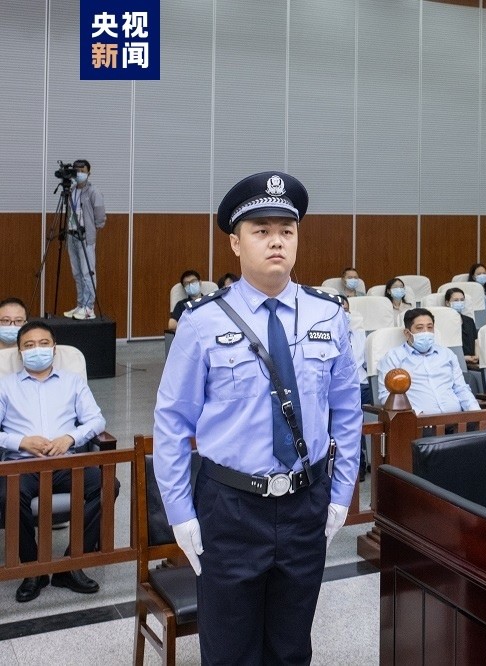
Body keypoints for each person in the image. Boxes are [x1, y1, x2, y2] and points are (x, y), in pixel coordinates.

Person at [153, 171, 361, 664]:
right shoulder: (202, 320)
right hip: (231, 506)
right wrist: (180, 512)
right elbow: (172, 422)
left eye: (286, 230)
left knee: (291, 647)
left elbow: (348, 412)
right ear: (235, 242)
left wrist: (341, 493)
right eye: (261, 230)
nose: (276, 241)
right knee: (230, 650)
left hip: (305, 502)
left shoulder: (328, 315)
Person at [0, 321, 109, 602]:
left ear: (54, 348)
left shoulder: (73, 382)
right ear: (20, 352)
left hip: (65, 462)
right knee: (8, 495)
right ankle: (32, 569)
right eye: (29, 345)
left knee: (107, 485)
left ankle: (70, 566)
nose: (37, 349)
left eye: (43, 343)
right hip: (22, 464)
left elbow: (97, 420)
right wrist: (20, 441)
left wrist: (70, 438)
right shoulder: (5, 385)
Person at [376, 308, 480, 414]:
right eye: (419, 328)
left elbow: (461, 389)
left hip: (457, 419)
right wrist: (416, 415)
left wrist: (477, 413)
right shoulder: (393, 357)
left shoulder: (447, 354)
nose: (426, 332)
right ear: (407, 333)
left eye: (430, 327)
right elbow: (387, 396)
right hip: (418, 421)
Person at [63, 159, 105, 320]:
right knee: (77, 273)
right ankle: (80, 304)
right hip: (72, 235)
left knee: (88, 272)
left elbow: (100, 215)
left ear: (88, 173)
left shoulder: (93, 191)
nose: (79, 173)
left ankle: (89, 308)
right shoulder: (72, 190)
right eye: (77, 171)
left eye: (83, 171)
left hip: (85, 236)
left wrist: (92, 229)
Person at [333, 294, 370, 481]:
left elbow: (368, 364)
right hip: (334, 388)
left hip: (361, 384)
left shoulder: (361, 335)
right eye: (339, 310)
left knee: (357, 419)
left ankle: (360, 465)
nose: (344, 314)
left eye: (346, 310)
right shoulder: (324, 336)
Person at [444, 287, 478, 365]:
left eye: (462, 300)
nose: (459, 302)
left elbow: (476, 341)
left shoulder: (469, 320)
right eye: (456, 300)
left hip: (473, 362)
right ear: (447, 303)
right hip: (453, 362)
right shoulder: (444, 322)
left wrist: (477, 356)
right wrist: (463, 358)